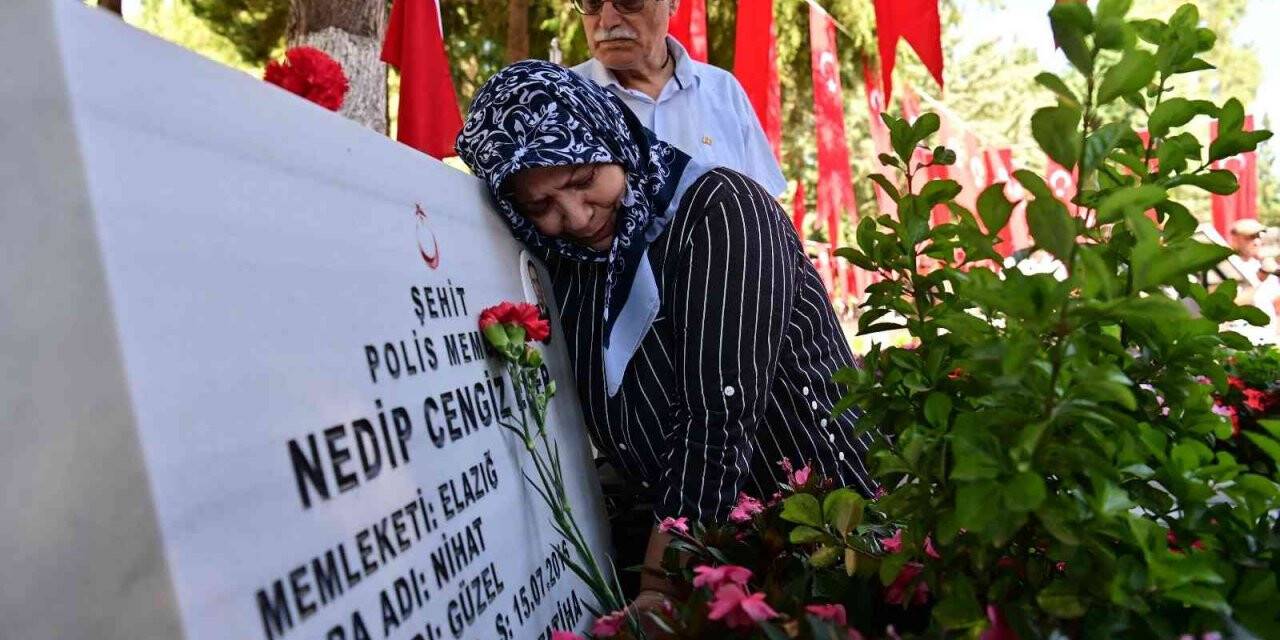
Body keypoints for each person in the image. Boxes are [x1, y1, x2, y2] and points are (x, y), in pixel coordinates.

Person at [456, 61, 875, 612]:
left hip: (827, 549)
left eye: (583, 181)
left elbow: (717, 417)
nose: (576, 217)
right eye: (541, 206)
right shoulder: (576, 266)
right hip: (713, 552)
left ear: (613, 136)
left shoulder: (722, 212)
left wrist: (659, 588)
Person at [570, 0, 787, 197]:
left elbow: (764, 210)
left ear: (672, 3)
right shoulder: (562, 99)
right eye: (592, 3)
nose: (607, 21)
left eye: (629, 2)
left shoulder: (722, 91)